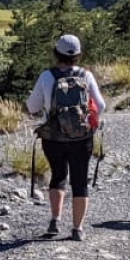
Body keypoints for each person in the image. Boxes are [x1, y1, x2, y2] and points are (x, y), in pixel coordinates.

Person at [24, 33, 107, 240]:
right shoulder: (86, 75)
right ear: (77, 55)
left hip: (53, 137)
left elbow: (32, 106)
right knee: (80, 181)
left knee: (58, 175)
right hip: (82, 138)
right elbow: (102, 105)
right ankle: (77, 229)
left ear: (56, 53)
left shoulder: (46, 76)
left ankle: (55, 219)